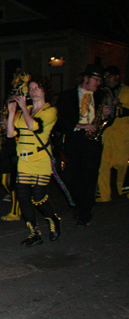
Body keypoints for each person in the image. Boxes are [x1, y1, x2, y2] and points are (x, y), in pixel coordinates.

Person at [6, 76, 61, 246]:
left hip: (40, 159)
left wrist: (23, 108)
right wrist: (11, 113)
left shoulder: (50, 110)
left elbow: (33, 126)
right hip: (23, 160)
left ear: (45, 91)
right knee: (23, 198)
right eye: (30, 88)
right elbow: (10, 134)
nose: (33, 91)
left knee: (38, 197)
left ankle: (53, 220)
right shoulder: (26, 109)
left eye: (37, 88)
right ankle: (34, 233)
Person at [54, 63, 109, 226]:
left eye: (100, 80)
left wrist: (107, 115)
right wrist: (79, 125)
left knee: (90, 178)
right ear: (86, 78)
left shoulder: (100, 96)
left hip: (93, 142)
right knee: (70, 176)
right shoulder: (67, 96)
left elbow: (106, 121)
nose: (99, 83)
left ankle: (85, 213)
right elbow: (59, 121)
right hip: (73, 140)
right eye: (96, 79)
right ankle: (80, 203)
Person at [96, 66, 129, 201]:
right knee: (102, 165)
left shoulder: (127, 90)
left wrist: (119, 104)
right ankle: (104, 195)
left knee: (122, 164)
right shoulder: (103, 92)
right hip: (106, 132)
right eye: (105, 77)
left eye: (109, 76)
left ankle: (123, 189)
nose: (107, 79)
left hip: (121, 134)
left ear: (116, 76)